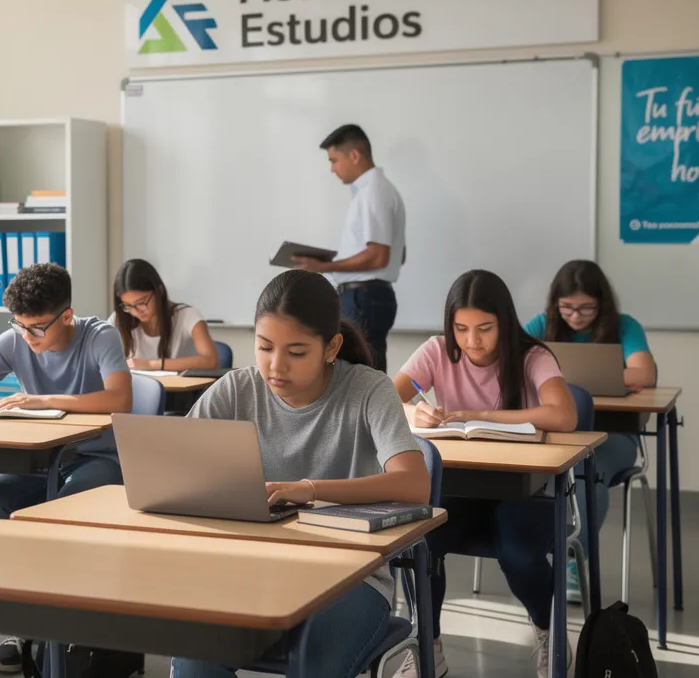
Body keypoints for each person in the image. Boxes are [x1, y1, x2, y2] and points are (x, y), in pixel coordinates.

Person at [171, 270, 428, 678]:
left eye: (296, 352)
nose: (275, 366)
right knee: (193, 656)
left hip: (351, 575)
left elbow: (414, 484)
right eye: (264, 347)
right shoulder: (237, 389)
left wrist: (308, 490)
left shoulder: (369, 390)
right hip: (254, 565)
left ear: (331, 347)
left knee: (315, 663)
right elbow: (171, 459)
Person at [0, 262, 132, 672]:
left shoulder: (100, 336)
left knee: (63, 509)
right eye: (20, 326)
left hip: (100, 460)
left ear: (67, 316)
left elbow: (119, 399)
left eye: (37, 328)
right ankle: (25, 625)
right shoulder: (16, 339)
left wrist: (44, 400)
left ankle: (67, 629)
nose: (27, 337)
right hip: (44, 460)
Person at [393, 269, 577, 678]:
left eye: (484, 329)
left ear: (505, 324)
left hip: (524, 491)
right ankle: (428, 646)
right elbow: (386, 401)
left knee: (517, 552)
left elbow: (564, 414)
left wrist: (480, 414)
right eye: (460, 328)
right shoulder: (437, 350)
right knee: (417, 539)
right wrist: (414, 410)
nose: (471, 341)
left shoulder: (533, 356)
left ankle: (548, 630)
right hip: (462, 488)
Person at [528, 259, 654, 604]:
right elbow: (510, 367)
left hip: (613, 435)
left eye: (586, 308)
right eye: (567, 307)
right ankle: (532, 550)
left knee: (586, 466)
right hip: (558, 432)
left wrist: (561, 380)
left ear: (602, 304)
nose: (576, 316)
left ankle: (572, 558)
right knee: (539, 467)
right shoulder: (541, 324)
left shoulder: (624, 327)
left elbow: (644, 373)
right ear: (556, 302)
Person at [291, 124, 405, 372]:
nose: (332, 168)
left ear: (354, 155)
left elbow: (378, 256)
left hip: (364, 296)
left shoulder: (373, 192)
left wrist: (324, 266)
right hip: (367, 295)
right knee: (361, 370)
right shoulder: (376, 191)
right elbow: (398, 254)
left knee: (360, 372)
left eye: (334, 160)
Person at [107, 258, 219, 371]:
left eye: (141, 303)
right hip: (136, 388)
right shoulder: (118, 319)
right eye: (128, 306)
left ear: (159, 291)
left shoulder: (187, 315)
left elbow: (211, 360)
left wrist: (151, 365)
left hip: (180, 388)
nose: (136, 311)